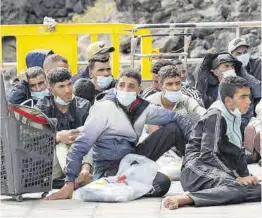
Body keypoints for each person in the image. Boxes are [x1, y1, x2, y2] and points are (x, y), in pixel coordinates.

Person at [45, 69, 195, 200]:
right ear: (116, 87)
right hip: (109, 167)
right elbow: (80, 146)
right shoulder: (104, 108)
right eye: (121, 85)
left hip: (131, 157)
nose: (125, 89)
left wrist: (199, 144)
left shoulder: (143, 108)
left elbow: (176, 116)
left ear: (138, 90)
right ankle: (110, 184)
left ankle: (197, 172)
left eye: (131, 86)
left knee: (174, 128)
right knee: (162, 183)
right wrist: (69, 182)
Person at [164, 76, 261, 210]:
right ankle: (187, 198)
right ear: (228, 100)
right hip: (197, 170)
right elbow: (208, 154)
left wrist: (245, 175)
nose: (249, 101)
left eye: (249, 96)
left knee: (257, 190)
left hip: (217, 169)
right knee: (236, 187)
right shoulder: (216, 115)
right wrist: (236, 178)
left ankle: (225, 191)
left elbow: (237, 152)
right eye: (243, 97)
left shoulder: (236, 114)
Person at [35, 67, 92, 187]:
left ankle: (82, 173)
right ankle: (73, 176)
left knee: (86, 134)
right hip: (52, 161)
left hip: (82, 158)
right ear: (51, 90)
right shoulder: (42, 107)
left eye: (69, 84)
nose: (67, 90)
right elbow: (33, 137)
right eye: (61, 86)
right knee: (61, 144)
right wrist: (57, 136)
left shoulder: (84, 105)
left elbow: (90, 141)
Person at [196, 52, 261, 127]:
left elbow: (247, 114)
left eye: (232, 66)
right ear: (216, 72)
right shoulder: (209, 93)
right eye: (226, 66)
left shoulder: (243, 89)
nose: (231, 69)